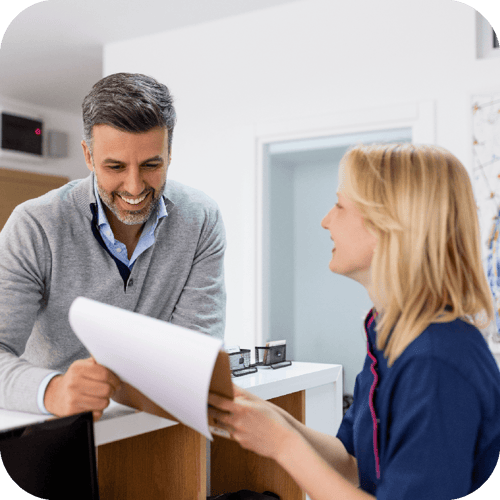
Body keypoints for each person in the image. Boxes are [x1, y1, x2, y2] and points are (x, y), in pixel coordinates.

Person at [209, 143, 500, 499]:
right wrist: (267, 416)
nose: (326, 220)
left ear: (387, 226)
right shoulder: (391, 337)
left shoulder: (435, 361)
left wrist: (282, 444)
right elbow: (352, 462)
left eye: (340, 205)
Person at [0, 73, 226, 421]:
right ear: (88, 156)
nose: (134, 187)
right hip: (58, 428)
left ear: (169, 153)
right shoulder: (35, 225)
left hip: (157, 421)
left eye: (152, 164)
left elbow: (194, 350)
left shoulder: (201, 218)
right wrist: (52, 390)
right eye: (115, 166)